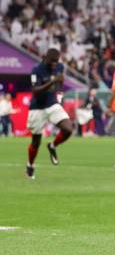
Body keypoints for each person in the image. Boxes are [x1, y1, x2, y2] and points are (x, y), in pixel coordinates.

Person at [25, 48, 74, 179]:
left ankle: (52, 145)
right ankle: (30, 165)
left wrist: (60, 93)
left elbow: (61, 82)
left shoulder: (60, 66)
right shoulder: (37, 70)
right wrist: (52, 81)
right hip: (37, 107)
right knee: (36, 141)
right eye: (52, 61)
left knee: (69, 129)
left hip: (52, 104)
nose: (54, 64)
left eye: (56, 61)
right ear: (45, 58)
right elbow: (35, 91)